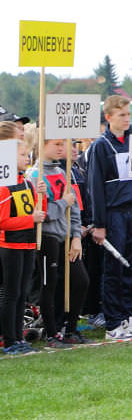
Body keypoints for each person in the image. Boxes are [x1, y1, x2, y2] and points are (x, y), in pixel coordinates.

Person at [87, 95, 132, 339]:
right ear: (109, 116)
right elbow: (96, 187)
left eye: (128, 114)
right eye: (122, 115)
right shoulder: (101, 146)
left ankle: (127, 317)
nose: (127, 119)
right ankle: (113, 322)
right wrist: (99, 224)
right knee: (115, 268)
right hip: (113, 214)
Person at [28, 139, 90, 347]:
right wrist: (63, 202)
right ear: (42, 144)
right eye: (56, 144)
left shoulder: (63, 173)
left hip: (65, 237)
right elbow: (44, 214)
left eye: (62, 145)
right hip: (46, 238)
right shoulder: (34, 175)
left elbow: (73, 210)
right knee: (50, 285)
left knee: (81, 280)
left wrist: (75, 237)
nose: (62, 149)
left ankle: (70, 329)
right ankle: (51, 334)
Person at [0, 140, 46, 354]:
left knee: (22, 294)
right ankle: (9, 340)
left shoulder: (27, 182)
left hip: (27, 244)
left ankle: (18, 336)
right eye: (22, 154)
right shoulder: (4, 187)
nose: (27, 158)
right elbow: (3, 221)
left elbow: (39, 213)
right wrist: (31, 219)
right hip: (10, 245)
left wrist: (42, 196)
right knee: (12, 293)